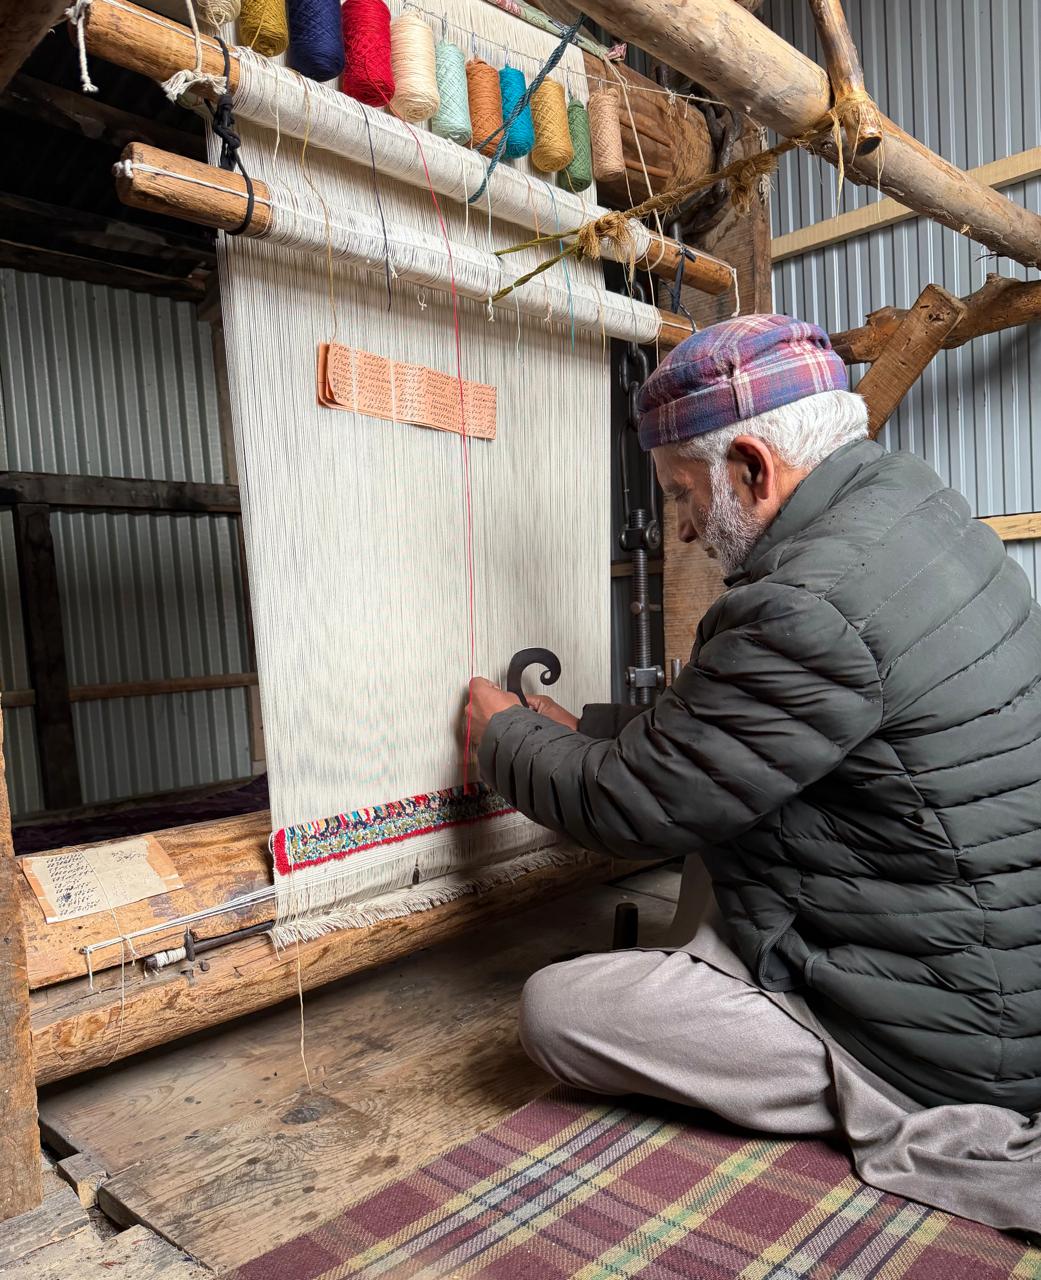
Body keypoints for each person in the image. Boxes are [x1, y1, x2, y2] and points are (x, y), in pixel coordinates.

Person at [466, 314, 1041, 1235]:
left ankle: (854, 1081)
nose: (687, 528)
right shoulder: (917, 512)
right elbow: (743, 728)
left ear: (752, 466)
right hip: (990, 955)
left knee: (556, 1010)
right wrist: (590, 729)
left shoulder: (805, 604)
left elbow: (631, 803)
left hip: (944, 1036)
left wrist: (501, 741)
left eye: (684, 492)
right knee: (712, 841)